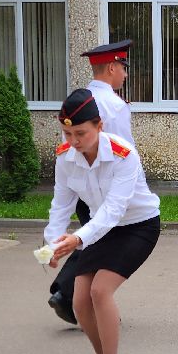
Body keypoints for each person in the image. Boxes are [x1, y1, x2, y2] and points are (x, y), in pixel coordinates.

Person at [43, 88, 162, 354]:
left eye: (80, 133)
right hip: (100, 228)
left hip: (138, 226)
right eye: (67, 135)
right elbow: (61, 204)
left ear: (100, 125)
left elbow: (114, 210)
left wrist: (78, 239)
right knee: (79, 300)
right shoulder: (65, 157)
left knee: (100, 290)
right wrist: (53, 243)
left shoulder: (124, 156)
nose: (73, 142)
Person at [47, 39, 136, 326]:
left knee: (93, 241)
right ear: (112, 67)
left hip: (82, 185)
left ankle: (79, 298)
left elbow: (69, 148)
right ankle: (70, 295)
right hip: (109, 189)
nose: (125, 75)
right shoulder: (114, 105)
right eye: (123, 68)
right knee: (101, 244)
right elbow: (126, 150)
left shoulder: (77, 100)